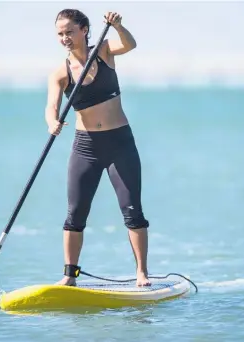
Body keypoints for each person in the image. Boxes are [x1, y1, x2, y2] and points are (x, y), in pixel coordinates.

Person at [45, 9, 150, 287]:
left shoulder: (103, 51)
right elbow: (51, 107)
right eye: (59, 34)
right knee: (75, 214)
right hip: (86, 147)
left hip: (120, 144)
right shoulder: (60, 73)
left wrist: (117, 26)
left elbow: (129, 44)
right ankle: (70, 275)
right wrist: (52, 122)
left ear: (84, 30)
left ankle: (142, 273)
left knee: (132, 210)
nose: (64, 38)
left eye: (69, 31)